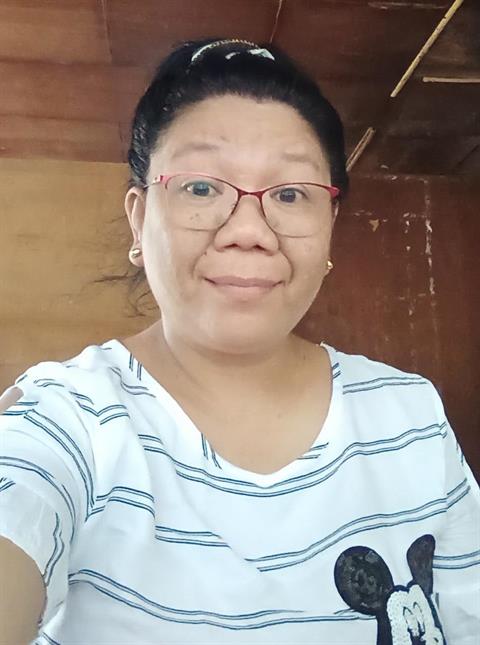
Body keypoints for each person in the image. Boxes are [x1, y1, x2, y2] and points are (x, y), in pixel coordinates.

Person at [0, 37, 478, 645]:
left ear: (330, 227)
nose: (249, 230)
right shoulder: (70, 421)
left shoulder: (410, 413)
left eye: (290, 194)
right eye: (201, 188)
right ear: (139, 219)